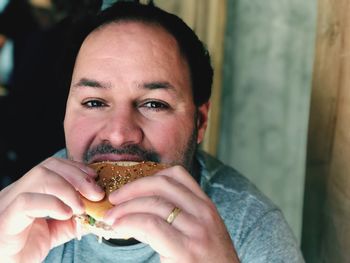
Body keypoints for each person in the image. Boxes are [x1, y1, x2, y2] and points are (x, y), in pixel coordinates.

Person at [0, 2, 305, 262]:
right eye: (94, 102)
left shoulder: (251, 231)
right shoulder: (20, 223)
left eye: (154, 104)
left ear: (199, 122)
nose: (119, 134)